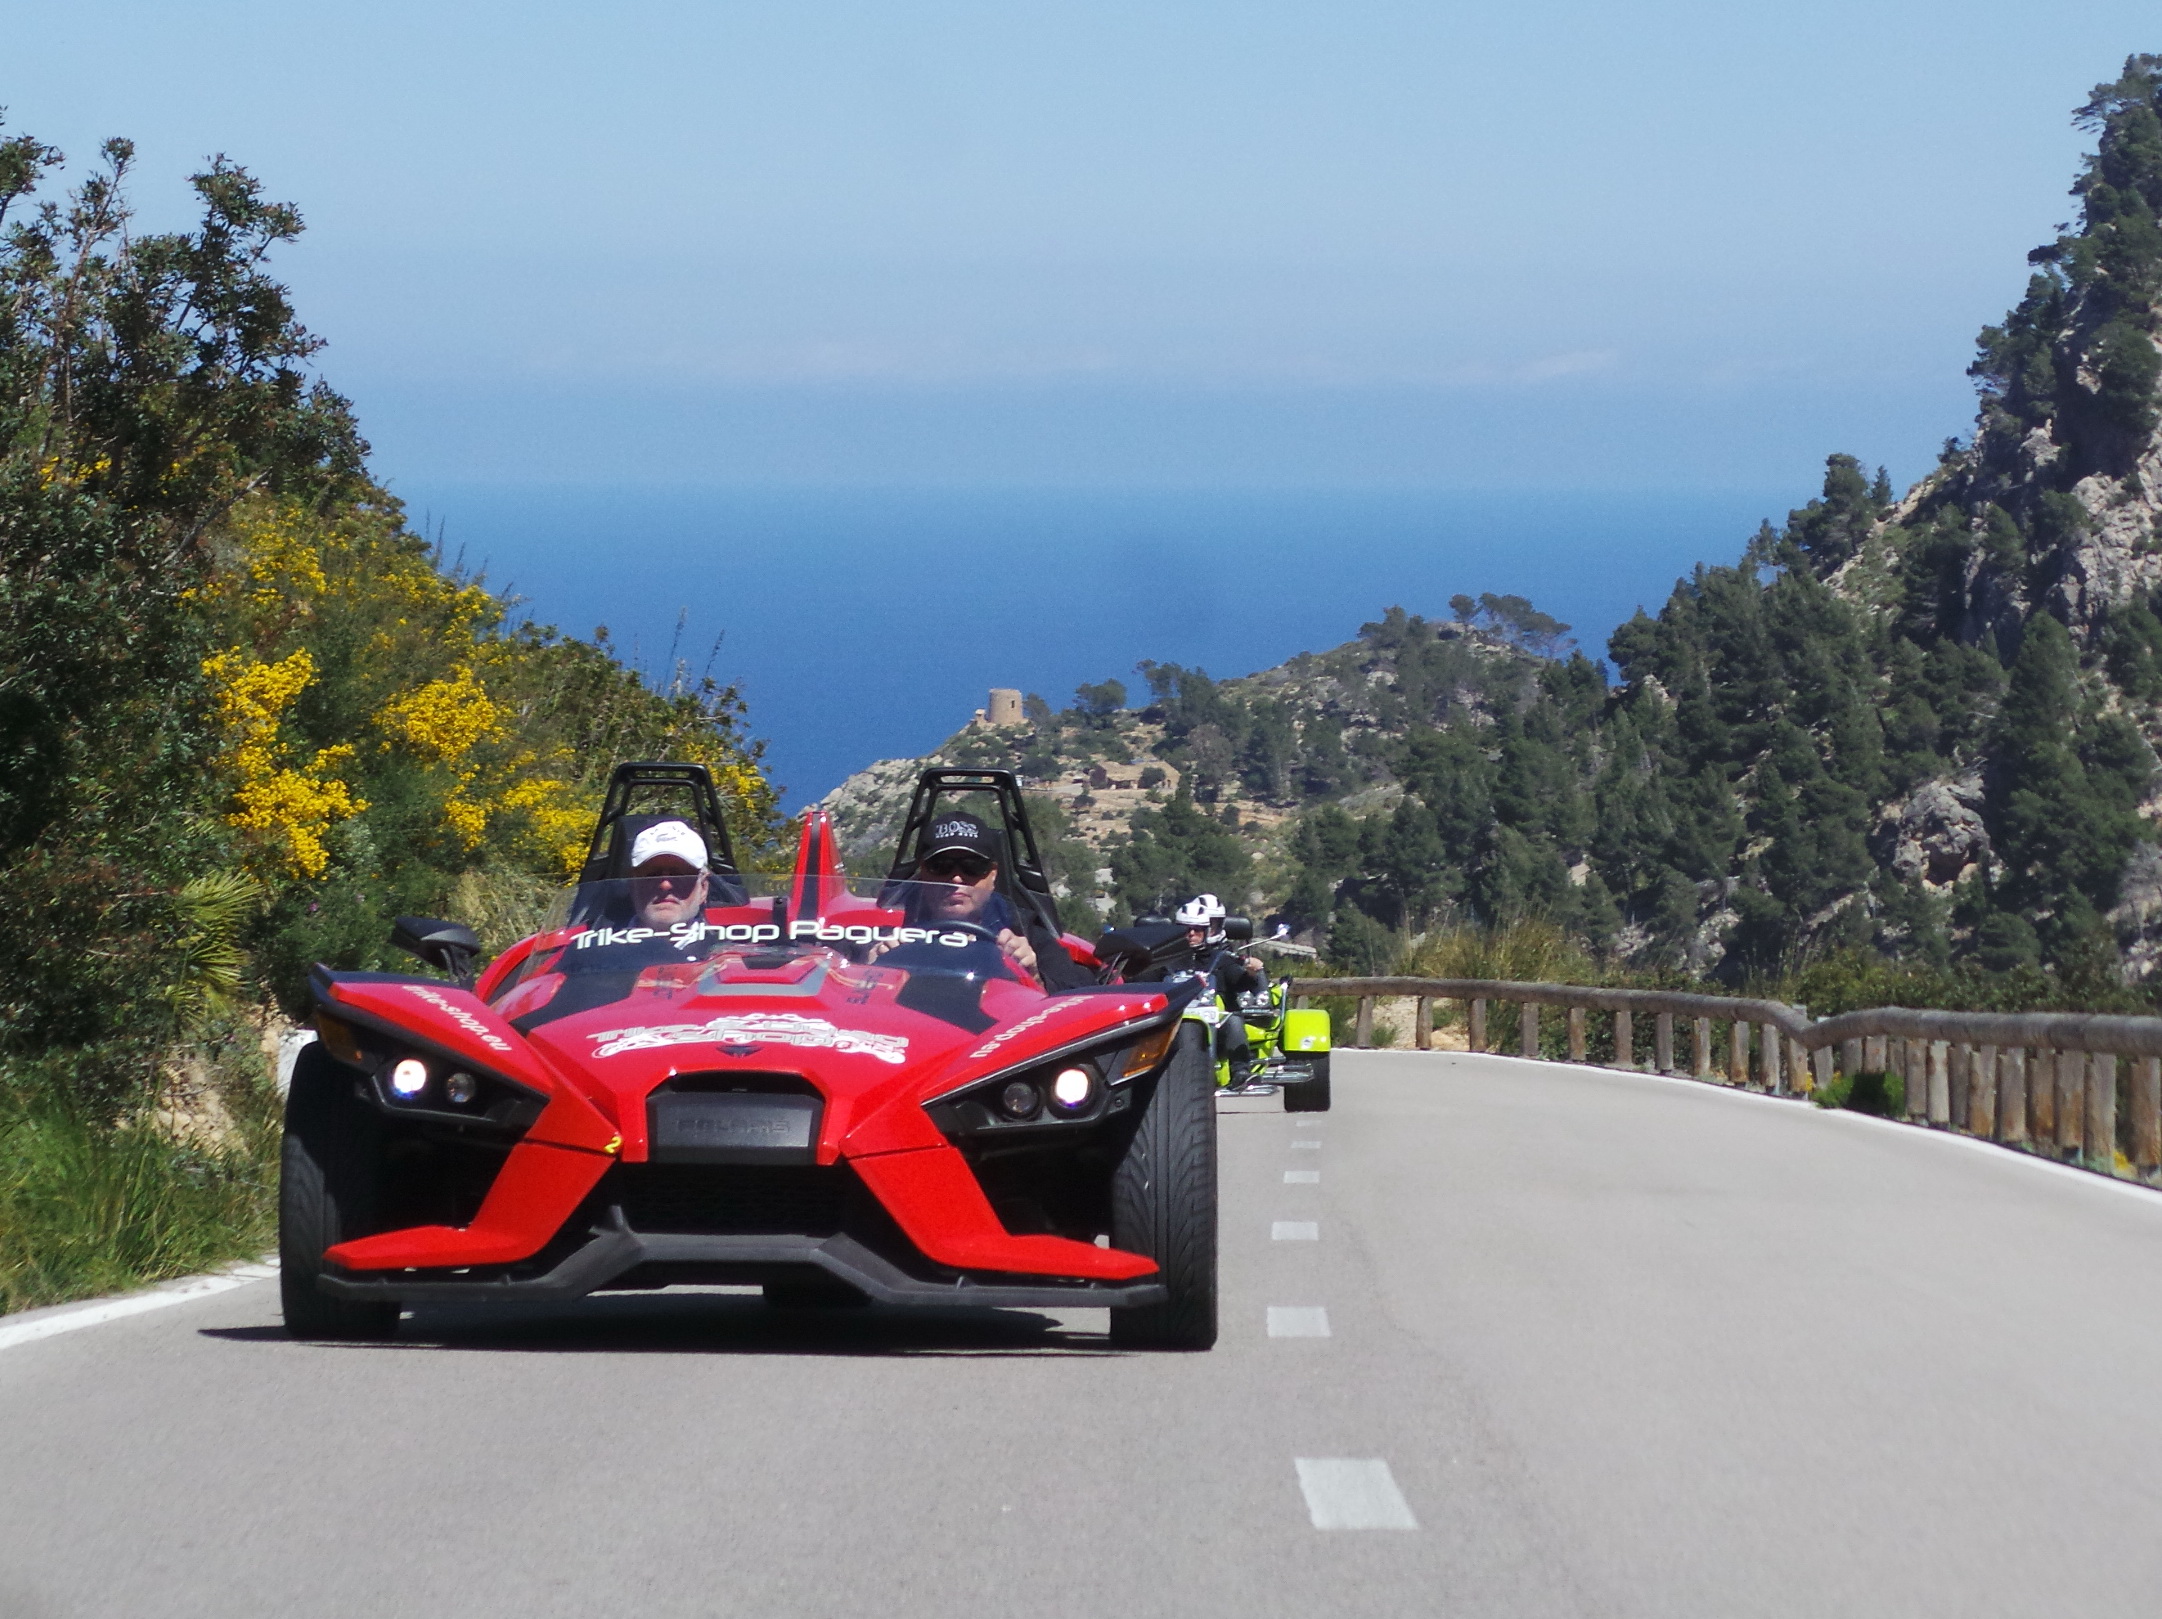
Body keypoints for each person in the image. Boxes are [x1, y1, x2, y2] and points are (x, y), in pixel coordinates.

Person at [879, 811, 1094, 991]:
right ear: (923, 873)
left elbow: (1081, 999)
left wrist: (1034, 977)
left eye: (972, 866)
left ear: (993, 875)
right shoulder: (889, 928)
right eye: (941, 866)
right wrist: (871, 970)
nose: (956, 878)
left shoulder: (1024, 931)